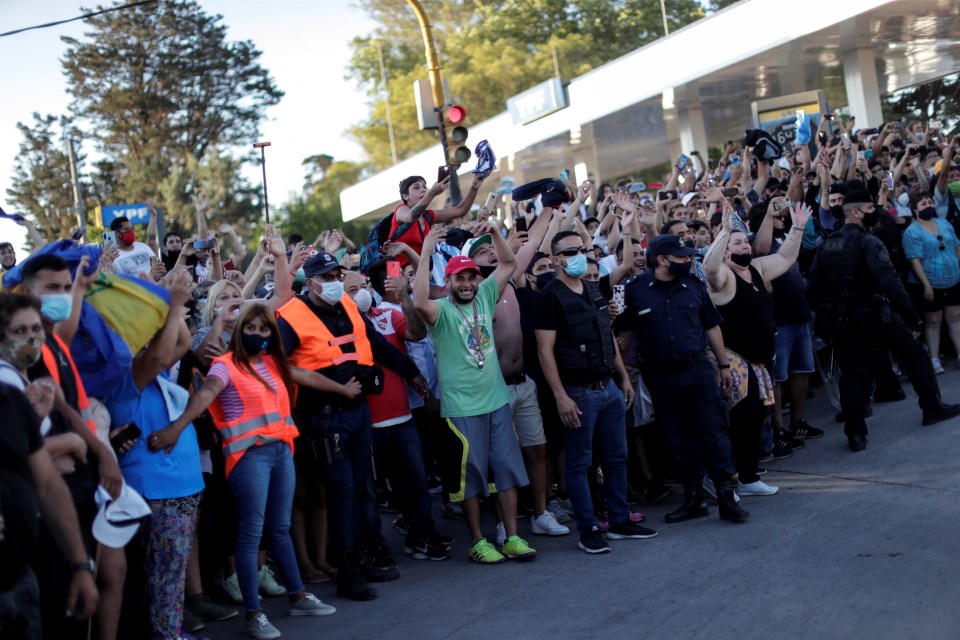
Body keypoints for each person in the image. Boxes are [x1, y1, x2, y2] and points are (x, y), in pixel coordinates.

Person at [156, 305, 336, 640]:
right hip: (248, 457)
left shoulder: (273, 363)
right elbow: (207, 392)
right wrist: (176, 427)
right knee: (251, 534)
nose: (257, 333)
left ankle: (297, 596)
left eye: (264, 329)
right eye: (251, 327)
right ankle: (254, 614)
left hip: (282, 452)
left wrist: (344, 390)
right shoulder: (225, 365)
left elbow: (307, 376)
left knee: (279, 528)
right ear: (239, 331)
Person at [276, 251, 423, 600]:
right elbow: (280, 366)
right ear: (310, 283)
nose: (334, 282)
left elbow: (376, 346)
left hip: (358, 411)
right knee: (342, 492)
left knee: (359, 488)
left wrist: (411, 372)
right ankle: (347, 571)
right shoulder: (291, 317)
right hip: (325, 417)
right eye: (326, 277)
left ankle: (359, 558)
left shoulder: (346, 304)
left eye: (337, 274)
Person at [413, 224, 538, 565]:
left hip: (496, 401)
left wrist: (496, 231)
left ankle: (512, 537)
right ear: (449, 284)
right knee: (471, 478)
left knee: (505, 471)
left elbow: (509, 265)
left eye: (471, 277)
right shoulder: (442, 312)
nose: (467, 284)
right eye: (460, 279)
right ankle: (478, 541)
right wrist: (425, 251)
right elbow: (420, 300)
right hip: (461, 408)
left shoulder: (485, 294)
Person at [534, 229, 658, 554]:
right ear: (556, 259)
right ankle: (588, 528)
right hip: (578, 392)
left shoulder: (594, 289)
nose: (579, 255)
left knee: (617, 458)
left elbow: (608, 336)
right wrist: (560, 395)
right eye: (571, 251)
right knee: (579, 463)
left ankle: (619, 521)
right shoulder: (548, 298)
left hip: (609, 389)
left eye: (583, 248)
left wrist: (624, 379)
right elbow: (545, 352)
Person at [809, 189, 960, 452]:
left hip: (845, 320)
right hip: (875, 313)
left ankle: (855, 434)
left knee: (853, 374)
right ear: (855, 213)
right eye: (869, 209)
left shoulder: (827, 245)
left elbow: (813, 290)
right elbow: (891, 281)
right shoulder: (870, 242)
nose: (874, 213)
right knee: (915, 354)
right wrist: (913, 319)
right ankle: (931, 408)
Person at [103, 268, 205, 640]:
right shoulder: (123, 375)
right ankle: (166, 635)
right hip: (157, 491)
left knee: (168, 574)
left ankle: (168, 630)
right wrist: (173, 303)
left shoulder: (146, 371)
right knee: (164, 574)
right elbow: (163, 355)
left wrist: (169, 306)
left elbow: (180, 345)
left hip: (176, 487)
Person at [621, 234, 748, 525]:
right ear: (662, 259)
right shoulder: (636, 290)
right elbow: (626, 332)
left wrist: (724, 365)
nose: (688, 260)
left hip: (698, 371)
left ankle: (726, 496)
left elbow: (711, 326)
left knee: (713, 433)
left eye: (689, 256)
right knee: (677, 438)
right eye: (681, 256)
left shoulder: (693, 285)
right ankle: (694, 500)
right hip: (661, 376)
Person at [464, 224, 570, 541]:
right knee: (501, 460)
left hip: (524, 385)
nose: (491, 252)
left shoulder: (510, 280)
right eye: (482, 251)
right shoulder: (478, 293)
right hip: (494, 389)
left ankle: (541, 514)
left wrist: (549, 207)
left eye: (492, 249)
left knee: (538, 450)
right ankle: (503, 522)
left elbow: (535, 240)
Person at [703, 201, 812, 495]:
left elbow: (787, 257)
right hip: (734, 361)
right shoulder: (723, 276)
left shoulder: (757, 269)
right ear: (725, 250)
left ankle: (749, 477)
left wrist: (798, 227)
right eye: (736, 242)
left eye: (744, 240)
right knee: (739, 420)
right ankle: (726, 479)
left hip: (760, 361)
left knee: (755, 419)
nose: (745, 244)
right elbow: (709, 268)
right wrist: (724, 232)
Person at [0, 380, 99, 638]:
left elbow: (49, 487)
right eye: (18, 334)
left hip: (20, 580)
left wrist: (80, 565)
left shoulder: (11, 399)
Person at [901, 191, 960, 374]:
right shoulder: (912, 231)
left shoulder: (943, 223)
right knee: (933, 320)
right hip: (930, 282)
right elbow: (914, 260)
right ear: (914, 210)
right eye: (923, 204)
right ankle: (934, 359)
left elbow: (956, 245)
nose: (928, 206)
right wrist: (926, 284)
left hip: (953, 278)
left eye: (929, 202)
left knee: (955, 316)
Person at [389, 173, 485, 265]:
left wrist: (474, 187)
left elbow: (461, 210)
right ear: (405, 196)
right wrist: (432, 192)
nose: (423, 190)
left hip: (420, 270)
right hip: (396, 269)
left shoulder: (428, 215)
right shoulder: (401, 209)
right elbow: (411, 217)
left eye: (424, 187)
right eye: (416, 187)